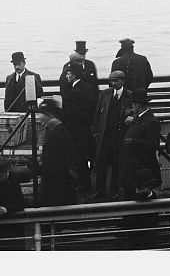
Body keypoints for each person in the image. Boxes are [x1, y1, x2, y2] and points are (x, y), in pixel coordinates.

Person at [92, 70, 132, 199]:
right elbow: (98, 112)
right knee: (101, 164)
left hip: (120, 138)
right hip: (105, 137)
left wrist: (131, 116)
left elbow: (135, 113)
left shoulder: (129, 96)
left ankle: (114, 191)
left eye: (116, 81)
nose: (113, 83)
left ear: (123, 81)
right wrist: (95, 131)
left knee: (116, 165)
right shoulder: (105, 94)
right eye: (111, 81)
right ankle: (99, 191)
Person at [119, 89, 162, 200]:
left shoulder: (151, 121)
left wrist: (133, 142)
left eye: (133, 104)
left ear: (137, 105)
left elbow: (153, 145)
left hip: (142, 171)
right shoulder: (139, 119)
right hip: (133, 169)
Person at [61, 62, 97, 193]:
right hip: (86, 130)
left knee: (78, 160)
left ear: (74, 75)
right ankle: (86, 186)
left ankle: (82, 187)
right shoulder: (87, 88)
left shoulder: (74, 93)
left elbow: (70, 114)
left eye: (68, 73)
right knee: (84, 159)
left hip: (76, 132)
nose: (66, 76)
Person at [37, 96, 79, 206]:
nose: (41, 118)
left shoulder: (57, 132)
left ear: (49, 114)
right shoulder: (57, 128)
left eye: (43, 114)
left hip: (56, 179)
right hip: (57, 177)